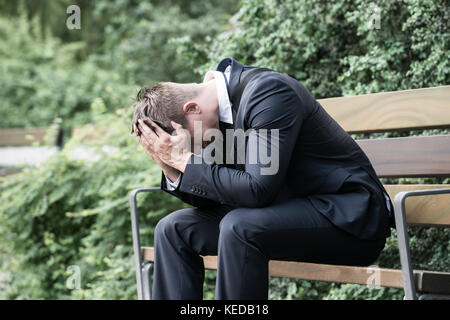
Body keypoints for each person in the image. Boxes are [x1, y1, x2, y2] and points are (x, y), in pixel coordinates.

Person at [131, 57, 394, 300]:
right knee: (173, 229)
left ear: (192, 109)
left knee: (239, 225)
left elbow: (257, 189)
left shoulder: (268, 92)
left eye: (188, 143)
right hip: (280, 213)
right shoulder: (211, 118)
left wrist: (182, 160)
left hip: (345, 216)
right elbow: (217, 194)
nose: (193, 152)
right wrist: (171, 168)